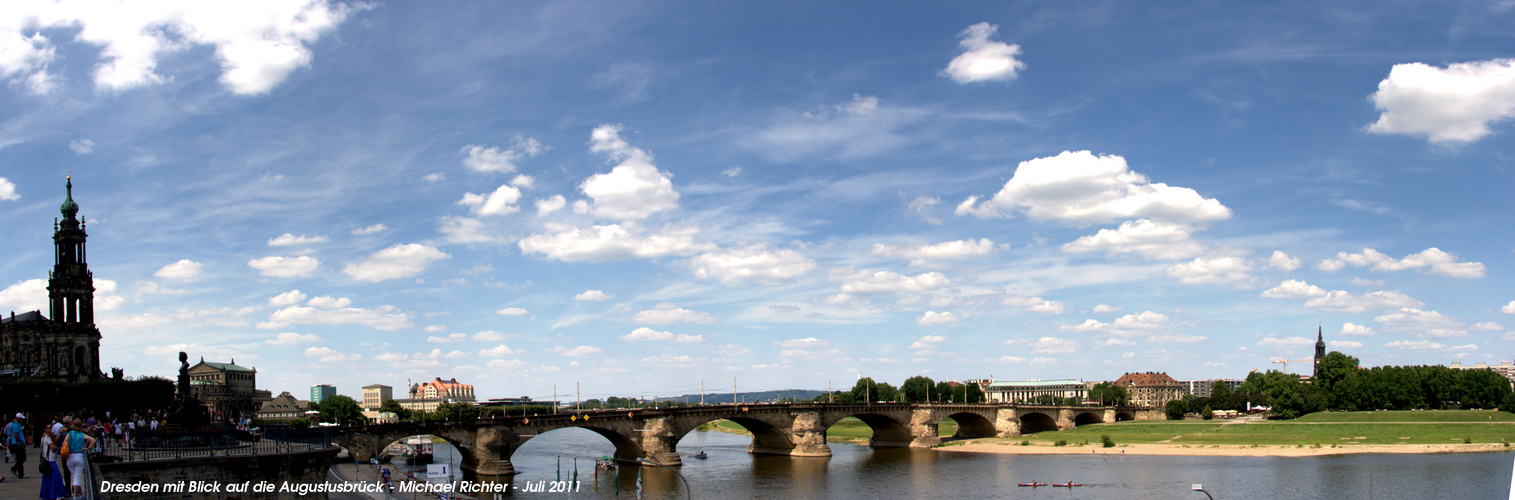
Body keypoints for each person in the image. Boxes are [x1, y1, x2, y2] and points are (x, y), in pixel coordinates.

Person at [61, 422, 97, 500]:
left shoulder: (69, 434)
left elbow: (64, 444)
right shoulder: (81, 435)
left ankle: (81, 494)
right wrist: (88, 448)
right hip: (79, 455)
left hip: (70, 456)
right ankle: (75, 496)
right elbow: (93, 440)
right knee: (77, 477)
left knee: (74, 476)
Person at [39, 429, 66, 500]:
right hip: (50, 460)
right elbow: (53, 448)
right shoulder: (47, 439)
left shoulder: (43, 438)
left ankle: (48, 494)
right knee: (56, 478)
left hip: (45, 461)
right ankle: (56, 494)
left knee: (47, 479)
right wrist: (56, 447)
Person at [6, 413, 27, 478]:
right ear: (18, 418)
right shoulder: (15, 425)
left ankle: (20, 473)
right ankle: (14, 469)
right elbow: (15, 434)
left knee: (20, 459)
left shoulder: (18, 424)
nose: (22, 420)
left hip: (19, 444)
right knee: (22, 458)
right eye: (21, 418)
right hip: (18, 444)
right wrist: (21, 442)